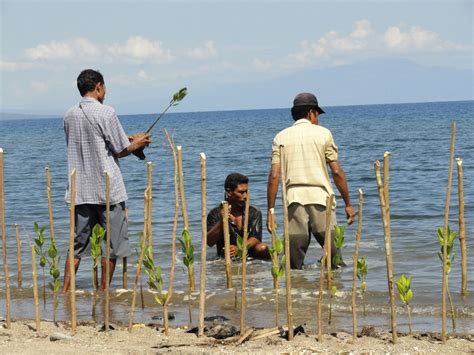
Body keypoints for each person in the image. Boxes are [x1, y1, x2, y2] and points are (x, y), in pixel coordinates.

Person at [63, 69, 151, 292]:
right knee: (112, 245)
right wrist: (138, 143)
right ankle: (103, 291)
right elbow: (121, 150)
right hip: (107, 190)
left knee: (77, 246)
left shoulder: (69, 114)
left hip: (80, 190)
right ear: (99, 86)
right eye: (105, 88)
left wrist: (130, 139)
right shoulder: (107, 112)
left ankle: (64, 292)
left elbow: (98, 143)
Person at [266, 92, 356, 269]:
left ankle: (298, 294)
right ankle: (334, 293)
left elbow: (274, 176)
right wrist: (348, 203)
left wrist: (270, 210)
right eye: (317, 115)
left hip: (293, 200)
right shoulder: (324, 134)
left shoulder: (280, 137)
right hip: (321, 199)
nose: (318, 119)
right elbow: (336, 171)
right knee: (334, 260)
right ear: (310, 113)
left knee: (292, 263)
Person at [207, 173, 270, 259]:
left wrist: (240, 248)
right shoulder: (215, 213)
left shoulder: (253, 211)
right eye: (241, 192)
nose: (245, 196)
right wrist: (222, 221)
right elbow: (209, 242)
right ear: (229, 192)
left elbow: (256, 238)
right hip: (225, 257)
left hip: (250, 255)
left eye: (246, 192)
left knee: (263, 248)